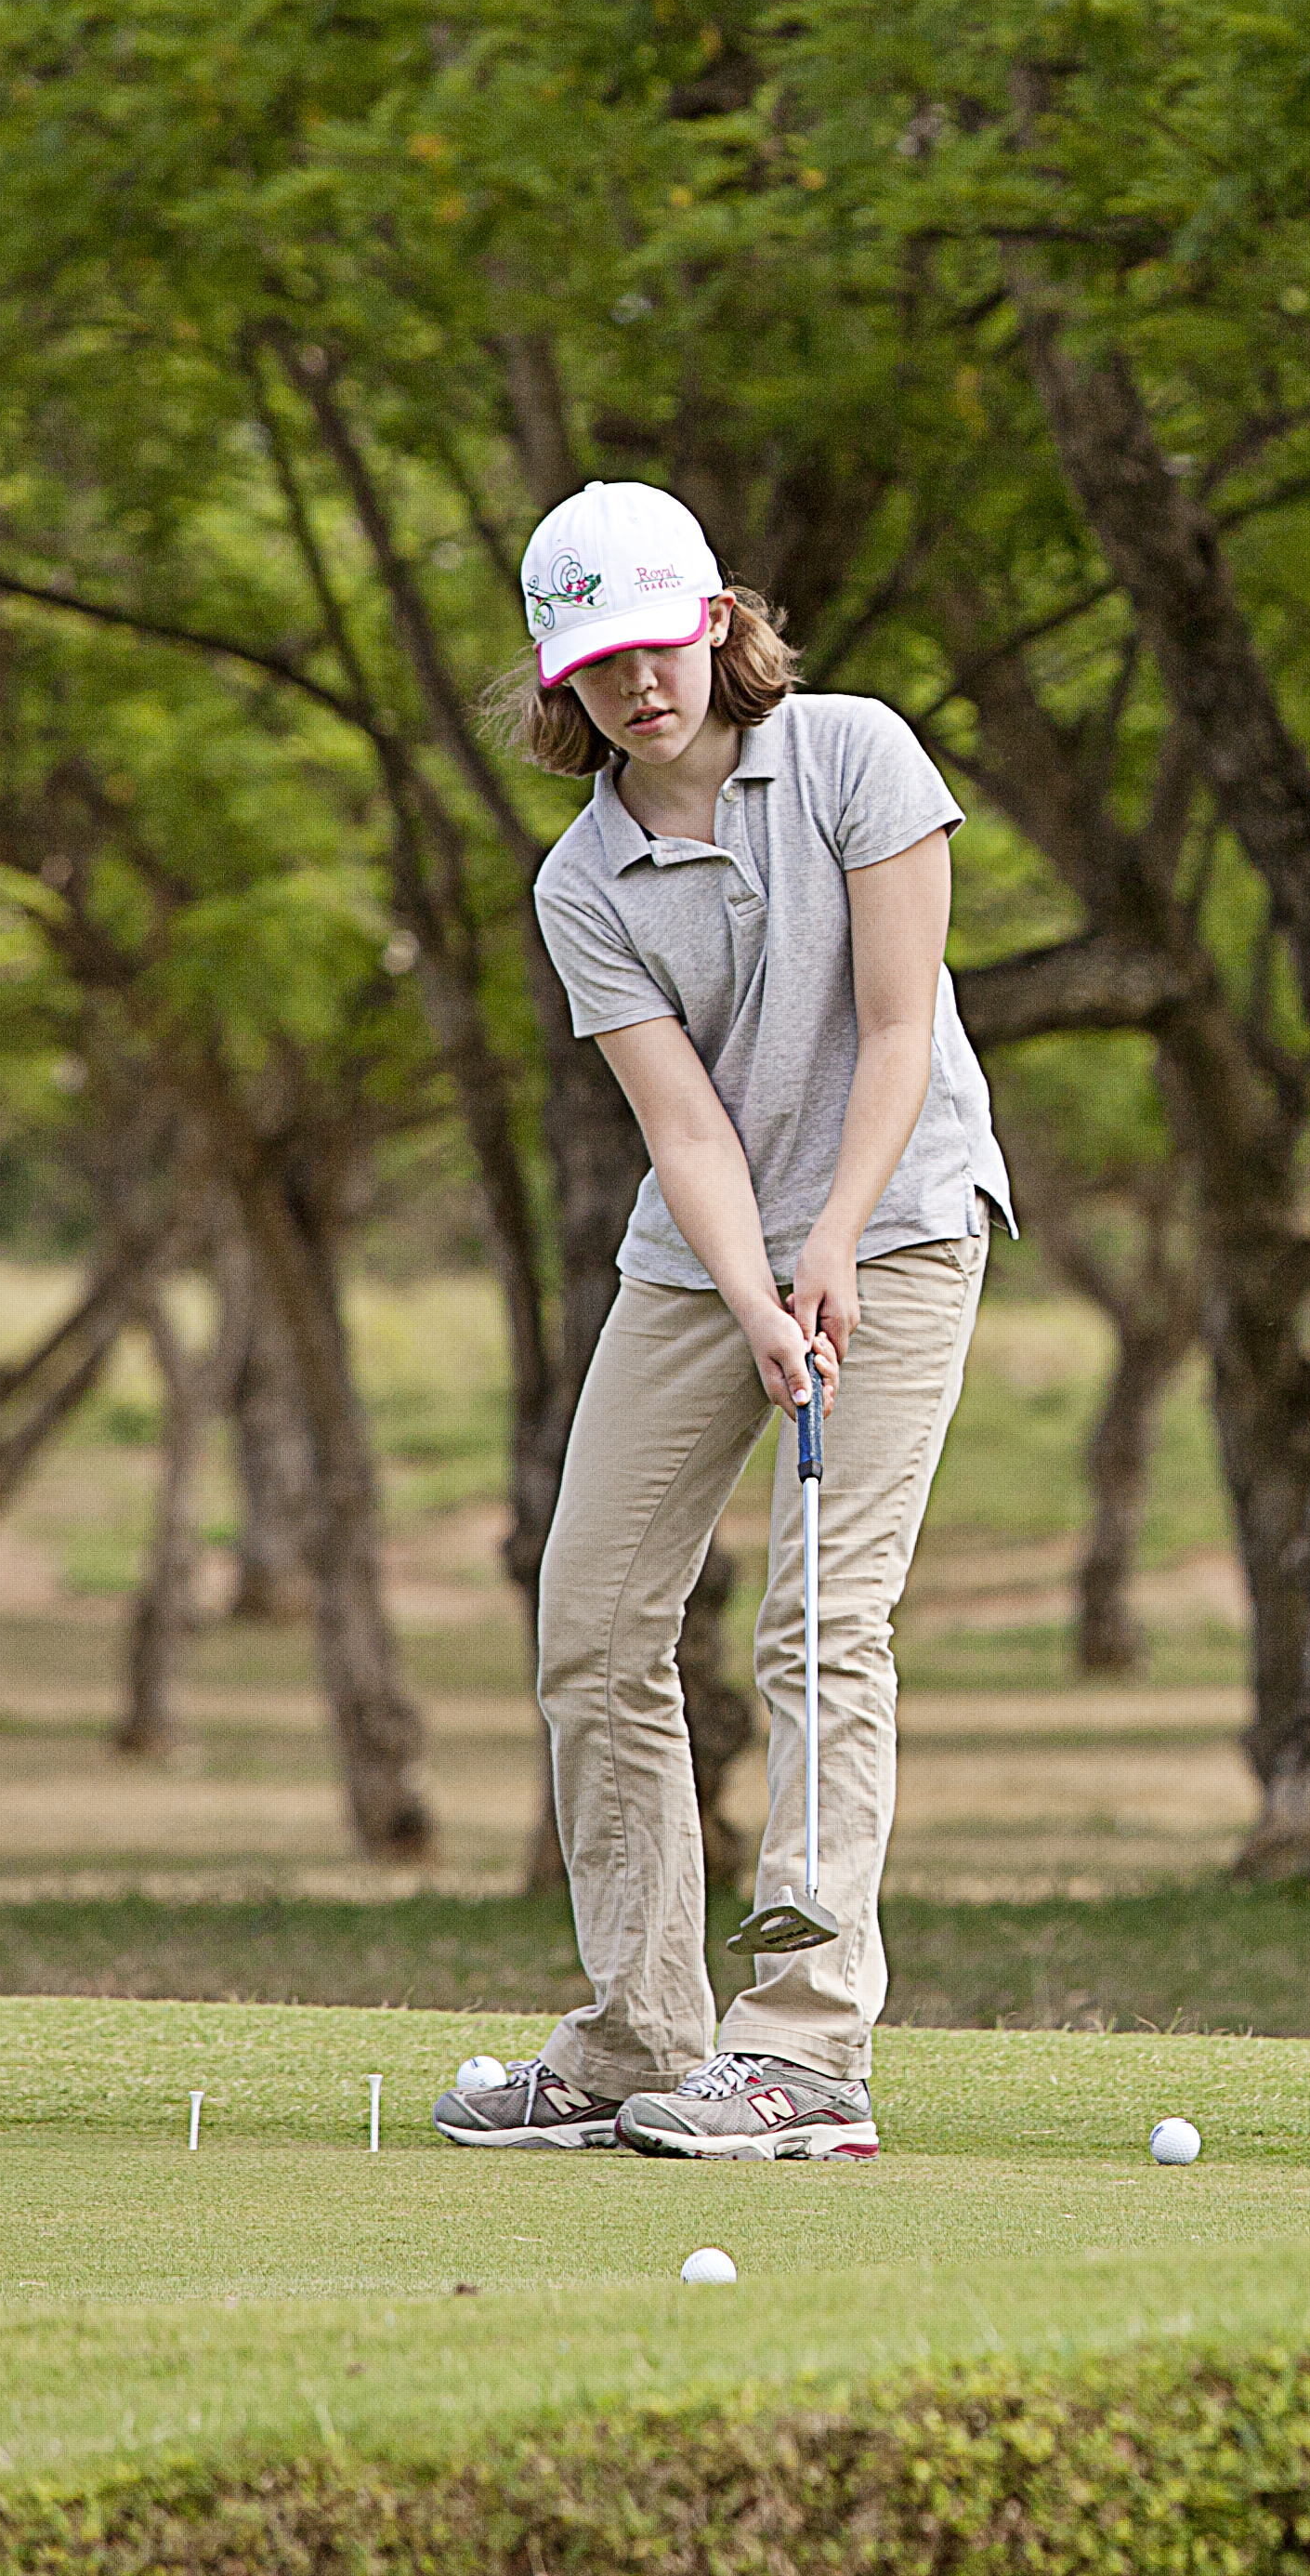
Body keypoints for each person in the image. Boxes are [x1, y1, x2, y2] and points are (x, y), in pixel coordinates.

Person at [430, 480, 1015, 2162]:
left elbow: (899, 1029)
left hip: (894, 1224)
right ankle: (637, 2036)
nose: (637, 687)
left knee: (821, 1619)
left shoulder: (852, 753)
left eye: (657, 642)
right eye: (596, 662)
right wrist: (757, 1289)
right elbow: (685, 1128)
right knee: (595, 1617)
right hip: (702, 1259)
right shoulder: (584, 878)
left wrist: (824, 1246)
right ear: (564, 679)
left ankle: (807, 2052)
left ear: (717, 619)